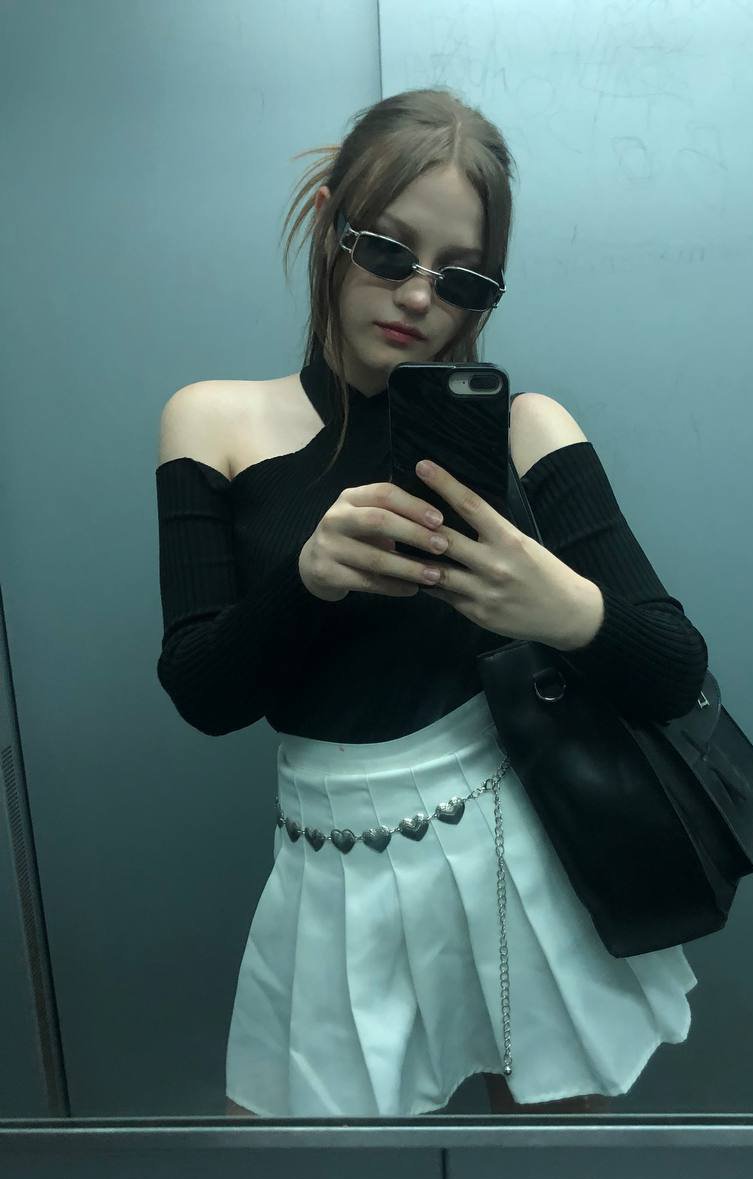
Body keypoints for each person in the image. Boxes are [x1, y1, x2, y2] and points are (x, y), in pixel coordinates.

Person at [155, 88, 707, 1119]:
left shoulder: (527, 430)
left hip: (512, 858)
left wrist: (559, 607)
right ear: (329, 223)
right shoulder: (213, 422)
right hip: (326, 865)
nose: (417, 296)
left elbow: (676, 669)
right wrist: (308, 581)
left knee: (547, 1175)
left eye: (461, 277)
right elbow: (203, 692)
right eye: (386, 251)